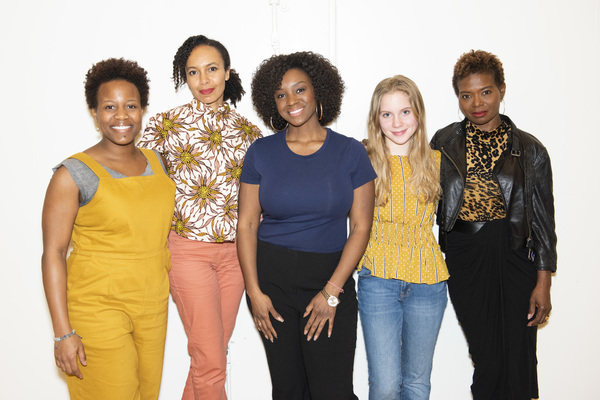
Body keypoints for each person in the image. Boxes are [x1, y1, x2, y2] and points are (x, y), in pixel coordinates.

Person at [237, 51, 376, 400]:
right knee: (288, 390)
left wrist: (331, 292)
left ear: (319, 92)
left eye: (300, 90)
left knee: (333, 391)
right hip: (273, 282)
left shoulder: (350, 153)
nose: (291, 101)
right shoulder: (261, 152)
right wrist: (254, 293)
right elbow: (247, 224)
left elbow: (361, 228)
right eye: (281, 94)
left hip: (330, 277)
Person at [41, 58, 175, 399]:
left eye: (130, 106)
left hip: (153, 305)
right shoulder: (73, 174)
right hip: (97, 306)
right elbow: (53, 253)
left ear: (143, 108)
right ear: (94, 112)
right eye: (109, 107)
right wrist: (62, 333)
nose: (121, 116)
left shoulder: (158, 163)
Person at [137, 35, 261, 400]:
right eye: (193, 72)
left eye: (211, 69)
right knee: (210, 360)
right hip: (188, 252)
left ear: (226, 73)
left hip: (236, 258)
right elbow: (138, 186)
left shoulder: (249, 133)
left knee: (211, 357)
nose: (204, 80)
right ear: (184, 78)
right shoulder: (164, 126)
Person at [430, 50, 557, 400]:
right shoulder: (443, 142)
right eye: (466, 95)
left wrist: (543, 282)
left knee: (518, 356)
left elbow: (544, 223)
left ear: (501, 89)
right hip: (464, 255)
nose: (476, 103)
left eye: (485, 91)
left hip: (516, 256)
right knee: (487, 356)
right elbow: (416, 183)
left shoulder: (531, 150)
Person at [358, 75, 449, 400]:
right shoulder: (363, 160)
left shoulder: (438, 162)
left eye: (405, 112)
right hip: (378, 281)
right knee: (384, 387)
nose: (397, 122)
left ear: (419, 114)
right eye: (387, 114)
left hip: (428, 282)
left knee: (416, 384)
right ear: (376, 119)